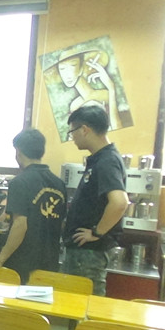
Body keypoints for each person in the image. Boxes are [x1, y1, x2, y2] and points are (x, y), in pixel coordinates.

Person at [0, 129, 67, 283]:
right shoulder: (59, 184)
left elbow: (20, 224)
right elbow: (61, 223)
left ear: (18, 152)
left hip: (22, 266)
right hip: (49, 264)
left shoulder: (19, 182)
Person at [61, 105, 128, 295]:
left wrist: (96, 232)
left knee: (84, 304)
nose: (72, 137)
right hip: (82, 252)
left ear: (84, 129)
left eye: (72, 132)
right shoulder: (100, 159)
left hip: (89, 253)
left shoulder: (107, 160)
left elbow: (120, 202)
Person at [55, 47, 121, 131]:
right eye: (62, 68)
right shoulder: (75, 106)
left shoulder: (106, 95)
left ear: (81, 68)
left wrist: (111, 87)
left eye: (73, 65)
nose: (67, 74)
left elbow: (117, 127)